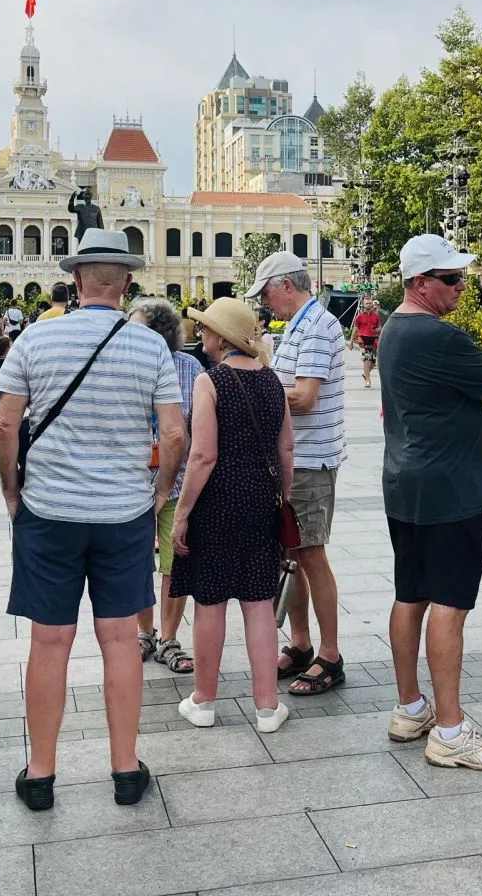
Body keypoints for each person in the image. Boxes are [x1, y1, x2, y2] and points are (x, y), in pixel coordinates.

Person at [0, 228, 185, 814]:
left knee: (50, 641)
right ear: (126, 282)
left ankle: (42, 774)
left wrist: (11, 491)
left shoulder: (35, 341)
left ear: (75, 280)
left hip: (48, 512)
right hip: (123, 514)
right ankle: (125, 769)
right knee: (121, 638)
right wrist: (157, 491)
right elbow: (174, 432)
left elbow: (2, 428)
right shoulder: (150, 346)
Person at [381, 234, 482, 770]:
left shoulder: (393, 330)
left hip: (406, 480)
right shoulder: (440, 337)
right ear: (420, 283)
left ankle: (409, 707)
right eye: (451, 279)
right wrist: (480, 390)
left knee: (411, 594)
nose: (462, 286)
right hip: (449, 487)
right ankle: (449, 730)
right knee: (450, 603)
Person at [169, 297, 296, 733]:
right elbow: (286, 451)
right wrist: (281, 496)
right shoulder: (274, 381)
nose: (201, 335)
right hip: (261, 500)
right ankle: (267, 707)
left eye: (205, 329)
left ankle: (204, 701)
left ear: (222, 337)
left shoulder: (211, 381)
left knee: (210, 602)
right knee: (260, 603)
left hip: (217, 501)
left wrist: (182, 512)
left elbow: (202, 454)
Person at [246, 252, 348, 697]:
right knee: (293, 554)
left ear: (286, 284)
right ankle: (302, 643)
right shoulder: (298, 327)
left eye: (266, 294)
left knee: (311, 554)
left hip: (310, 459)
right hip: (292, 459)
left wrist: (253, 393)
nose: (265, 304)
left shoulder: (319, 326)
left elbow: (304, 397)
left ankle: (330, 654)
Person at [127, 296, 202, 675]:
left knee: (175, 563)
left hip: (178, 482)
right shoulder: (122, 368)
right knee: (137, 563)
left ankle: (169, 638)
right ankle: (144, 632)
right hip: (133, 483)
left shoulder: (189, 368)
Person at [353, 298, 383, 388]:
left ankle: (366, 373)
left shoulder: (376, 316)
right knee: (366, 360)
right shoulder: (359, 316)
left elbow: (380, 327)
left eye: (370, 303)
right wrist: (351, 342)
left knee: (373, 362)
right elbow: (355, 329)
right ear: (363, 304)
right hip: (363, 339)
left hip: (373, 340)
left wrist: (378, 330)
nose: (369, 305)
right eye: (367, 303)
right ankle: (368, 380)